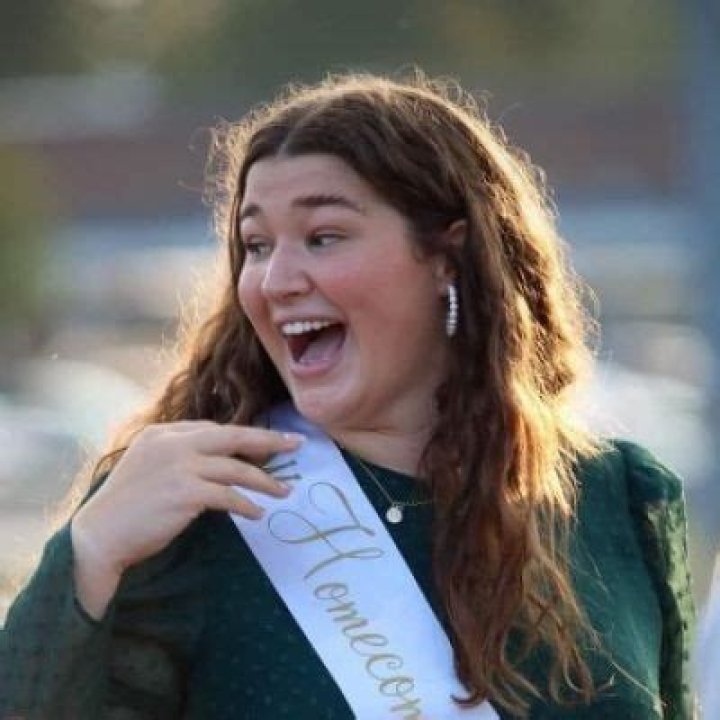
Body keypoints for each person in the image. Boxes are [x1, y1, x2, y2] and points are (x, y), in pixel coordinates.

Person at [0, 72, 695, 719]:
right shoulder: (199, 510)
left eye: (323, 237)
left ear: (446, 257)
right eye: (256, 245)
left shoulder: (618, 498)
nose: (275, 281)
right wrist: (89, 554)